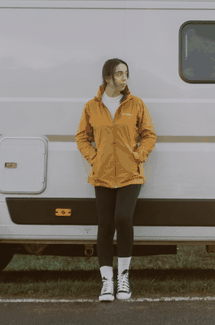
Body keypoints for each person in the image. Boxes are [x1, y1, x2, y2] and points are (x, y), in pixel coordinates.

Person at [75, 58, 156, 302]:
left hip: (130, 175)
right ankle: (106, 282)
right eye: (120, 74)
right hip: (102, 175)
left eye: (126, 74)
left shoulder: (136, 104)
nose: (124, 78)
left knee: (123, 218)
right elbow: (82, 137)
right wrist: (95, 158)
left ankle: (123, 277)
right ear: (107, 78)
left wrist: (137, 156)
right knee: (105, 225)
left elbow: (149, 135)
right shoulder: (92, 107)